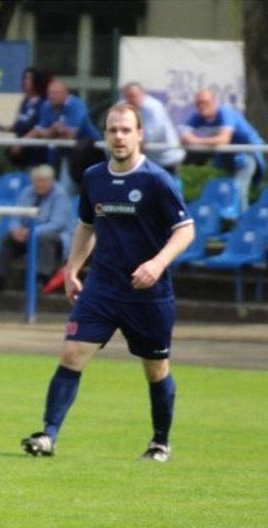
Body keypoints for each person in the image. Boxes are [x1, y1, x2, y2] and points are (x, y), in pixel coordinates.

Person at [21, 103, 195, 463]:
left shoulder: (157, 180)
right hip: (102, 288)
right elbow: (87, 225)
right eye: (113, 130)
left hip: (148, 294)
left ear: (139, 134)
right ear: (105, 135)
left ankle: (160, 443)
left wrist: (157, 263)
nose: (119, 136)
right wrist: (72, 270)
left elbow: (185, 230)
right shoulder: (94, 178)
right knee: (71, 353)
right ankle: (48, 435)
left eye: (126, 130)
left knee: (155, 368)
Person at [0, 164, 74, 293]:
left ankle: (41, 279)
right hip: (28, 235)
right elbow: (16, 216)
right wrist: (16, 230)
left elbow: (57, 224)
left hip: (56, 238)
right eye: (37, 181)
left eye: (43, 181)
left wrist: (32, 232)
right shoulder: (26, 192)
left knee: (44, 238)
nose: (40, 184)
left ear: (51, 181)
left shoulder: (60, 195)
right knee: (8, 238)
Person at [181, 89, 265, 211]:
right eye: (198, 103)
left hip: (247, 154)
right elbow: (183, 136)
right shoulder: (197, 116)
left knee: (238, 190)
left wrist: (196, 140)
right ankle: (227, 224)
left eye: (205, 102)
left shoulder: (225, 113)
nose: (202, 106)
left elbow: (223, 140)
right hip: (227, 157)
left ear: (214, 102)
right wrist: (191, 138)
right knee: (224, 191)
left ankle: (243, 225)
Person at [25, 79, 101, 193]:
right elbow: (42, 133)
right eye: (50, 93)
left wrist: (53, 131)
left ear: (65, 93)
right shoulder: (46, 106)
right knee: (62, 187)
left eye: (56, 93)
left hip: (88, 152)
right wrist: (54, 129)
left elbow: (71, 135)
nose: (52, 96)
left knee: (86, 187)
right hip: (64, 152)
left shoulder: (76, 105)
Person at [120, 82, 184, 176]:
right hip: (147, 160)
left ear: (143, 95)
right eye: (128, 97)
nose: (131, 100)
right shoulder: (123, 108)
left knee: (169, 188)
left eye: (134, 96)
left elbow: (148, 137)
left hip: (167, 159)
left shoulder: (153, 108)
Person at [0, 67, 51, 168]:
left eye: (28, 79)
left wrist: (21, 143)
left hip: (36, 156)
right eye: (24, 78)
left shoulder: (43, 103)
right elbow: (20, 123)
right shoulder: (25, 102)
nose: (25, 82)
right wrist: (5, 129)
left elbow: (38, 129)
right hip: (21, 157)